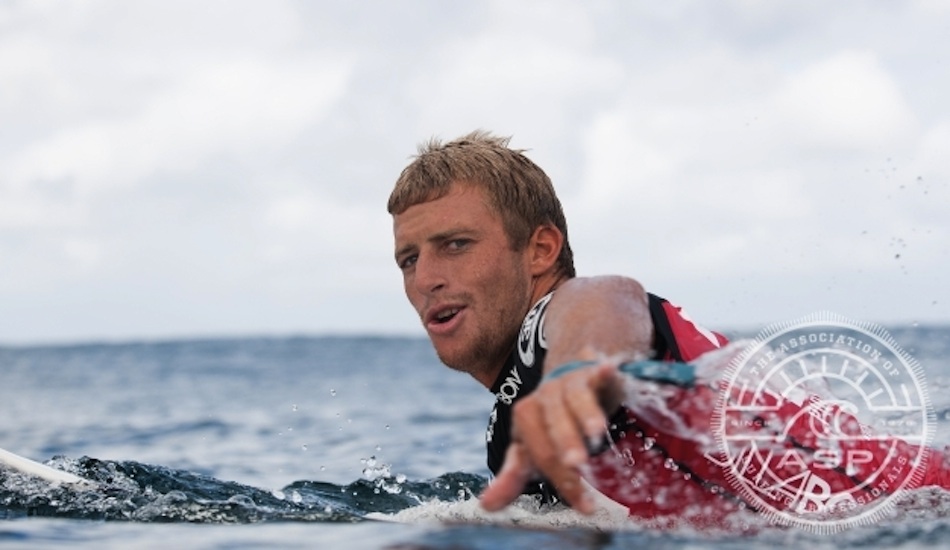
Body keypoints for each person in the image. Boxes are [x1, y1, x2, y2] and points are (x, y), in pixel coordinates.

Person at [387, 130, 949, 525]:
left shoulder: (562, 324)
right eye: (409, 260)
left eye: (455, 245)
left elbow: (608, 300)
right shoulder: (513, 429)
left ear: (540, 250)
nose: (427, 278)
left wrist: (579, 372)